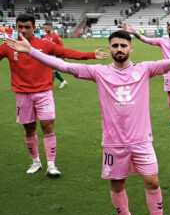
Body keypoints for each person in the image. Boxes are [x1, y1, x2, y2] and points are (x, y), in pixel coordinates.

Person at [6, 27, 170, 215]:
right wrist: (32, 52)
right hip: (113, 144)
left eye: (123, 45)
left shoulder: (145, 69)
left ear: (130, 48)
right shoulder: (99, 72)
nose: (119, 49)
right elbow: (64, 65)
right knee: (117, 185)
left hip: (142, 141)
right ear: (110, 48)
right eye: (115, 46)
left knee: (152, 182)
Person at [0, 13, 107, 177]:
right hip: (22, 94)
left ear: (34, 28)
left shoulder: (44, 44)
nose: (23, 30)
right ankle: (35, 162)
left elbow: (67, 52)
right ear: (16, 27)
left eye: (27, 27)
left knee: (47, 127)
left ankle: (51, 165)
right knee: (29, 129)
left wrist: (92, 55)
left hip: (44, 93)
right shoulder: (8, 46)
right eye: (20, 27)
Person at [41, 23, 68, 88]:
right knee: (53, 70)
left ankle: (49, 86)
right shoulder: (45, 36)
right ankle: (63, 81)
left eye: (46, 28)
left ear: (50, 27)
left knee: (52, 70)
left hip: (54, 55)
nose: (45, 29)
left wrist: (63, 57)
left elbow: (61, 47)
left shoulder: (56, 36)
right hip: (48, 55)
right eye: (44, 28)